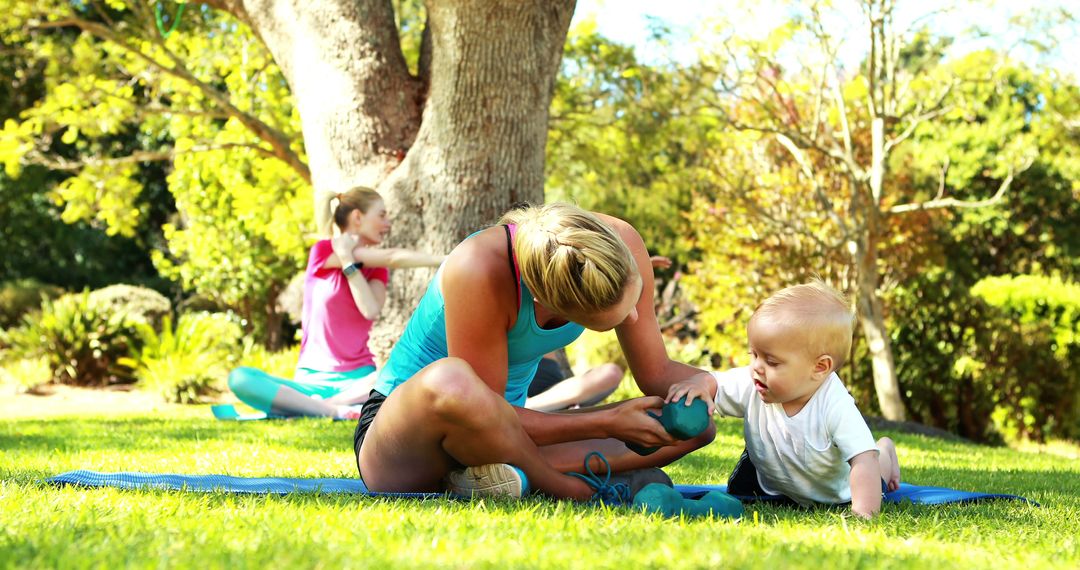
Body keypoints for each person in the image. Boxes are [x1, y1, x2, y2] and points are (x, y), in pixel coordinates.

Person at [353, 202, 716, 502]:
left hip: (516, 438)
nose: (635, 317)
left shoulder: (617, 244)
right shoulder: (478, 267)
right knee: (453, 380)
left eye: (633, 301)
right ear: (549, 302)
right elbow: (483, 414)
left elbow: (657, 373)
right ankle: (569, 487)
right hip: (411, 439)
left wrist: (702, 384)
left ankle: (491, 480)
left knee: (690, 427)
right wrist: (606, 420)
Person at [665, 280, 902, 518]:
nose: (756, 367)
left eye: (772, 362)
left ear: (819, 368)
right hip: (769, 483)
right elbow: (714, 383)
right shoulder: (754, 382)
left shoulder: (835, 405)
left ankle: (885, 449)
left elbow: (863, 459)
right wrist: (700, 385)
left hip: (834, 492)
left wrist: (863, 512)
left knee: (875, 468)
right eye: (754, 354)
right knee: (738, 495)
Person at [227, 187, 443, 419]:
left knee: (404, 372)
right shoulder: (322, 251)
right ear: (357, 217)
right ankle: (332, 410)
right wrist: (448, 259)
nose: (388, 223)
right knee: (239, 378)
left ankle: (317, 406)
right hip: (310, 383)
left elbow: (369, 309)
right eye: (381, 215)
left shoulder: (377, 269)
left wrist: (348, 260)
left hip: (360, 381)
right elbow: (392, 257)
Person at [524, 256, 674, 412]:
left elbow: (584, 286)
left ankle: (539, 408)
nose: (632, 318)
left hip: (553, 391)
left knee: (611, 373)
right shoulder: (527, 311)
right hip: (522, 394)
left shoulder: (565, 308)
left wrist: (639, 268)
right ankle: (534, 408)